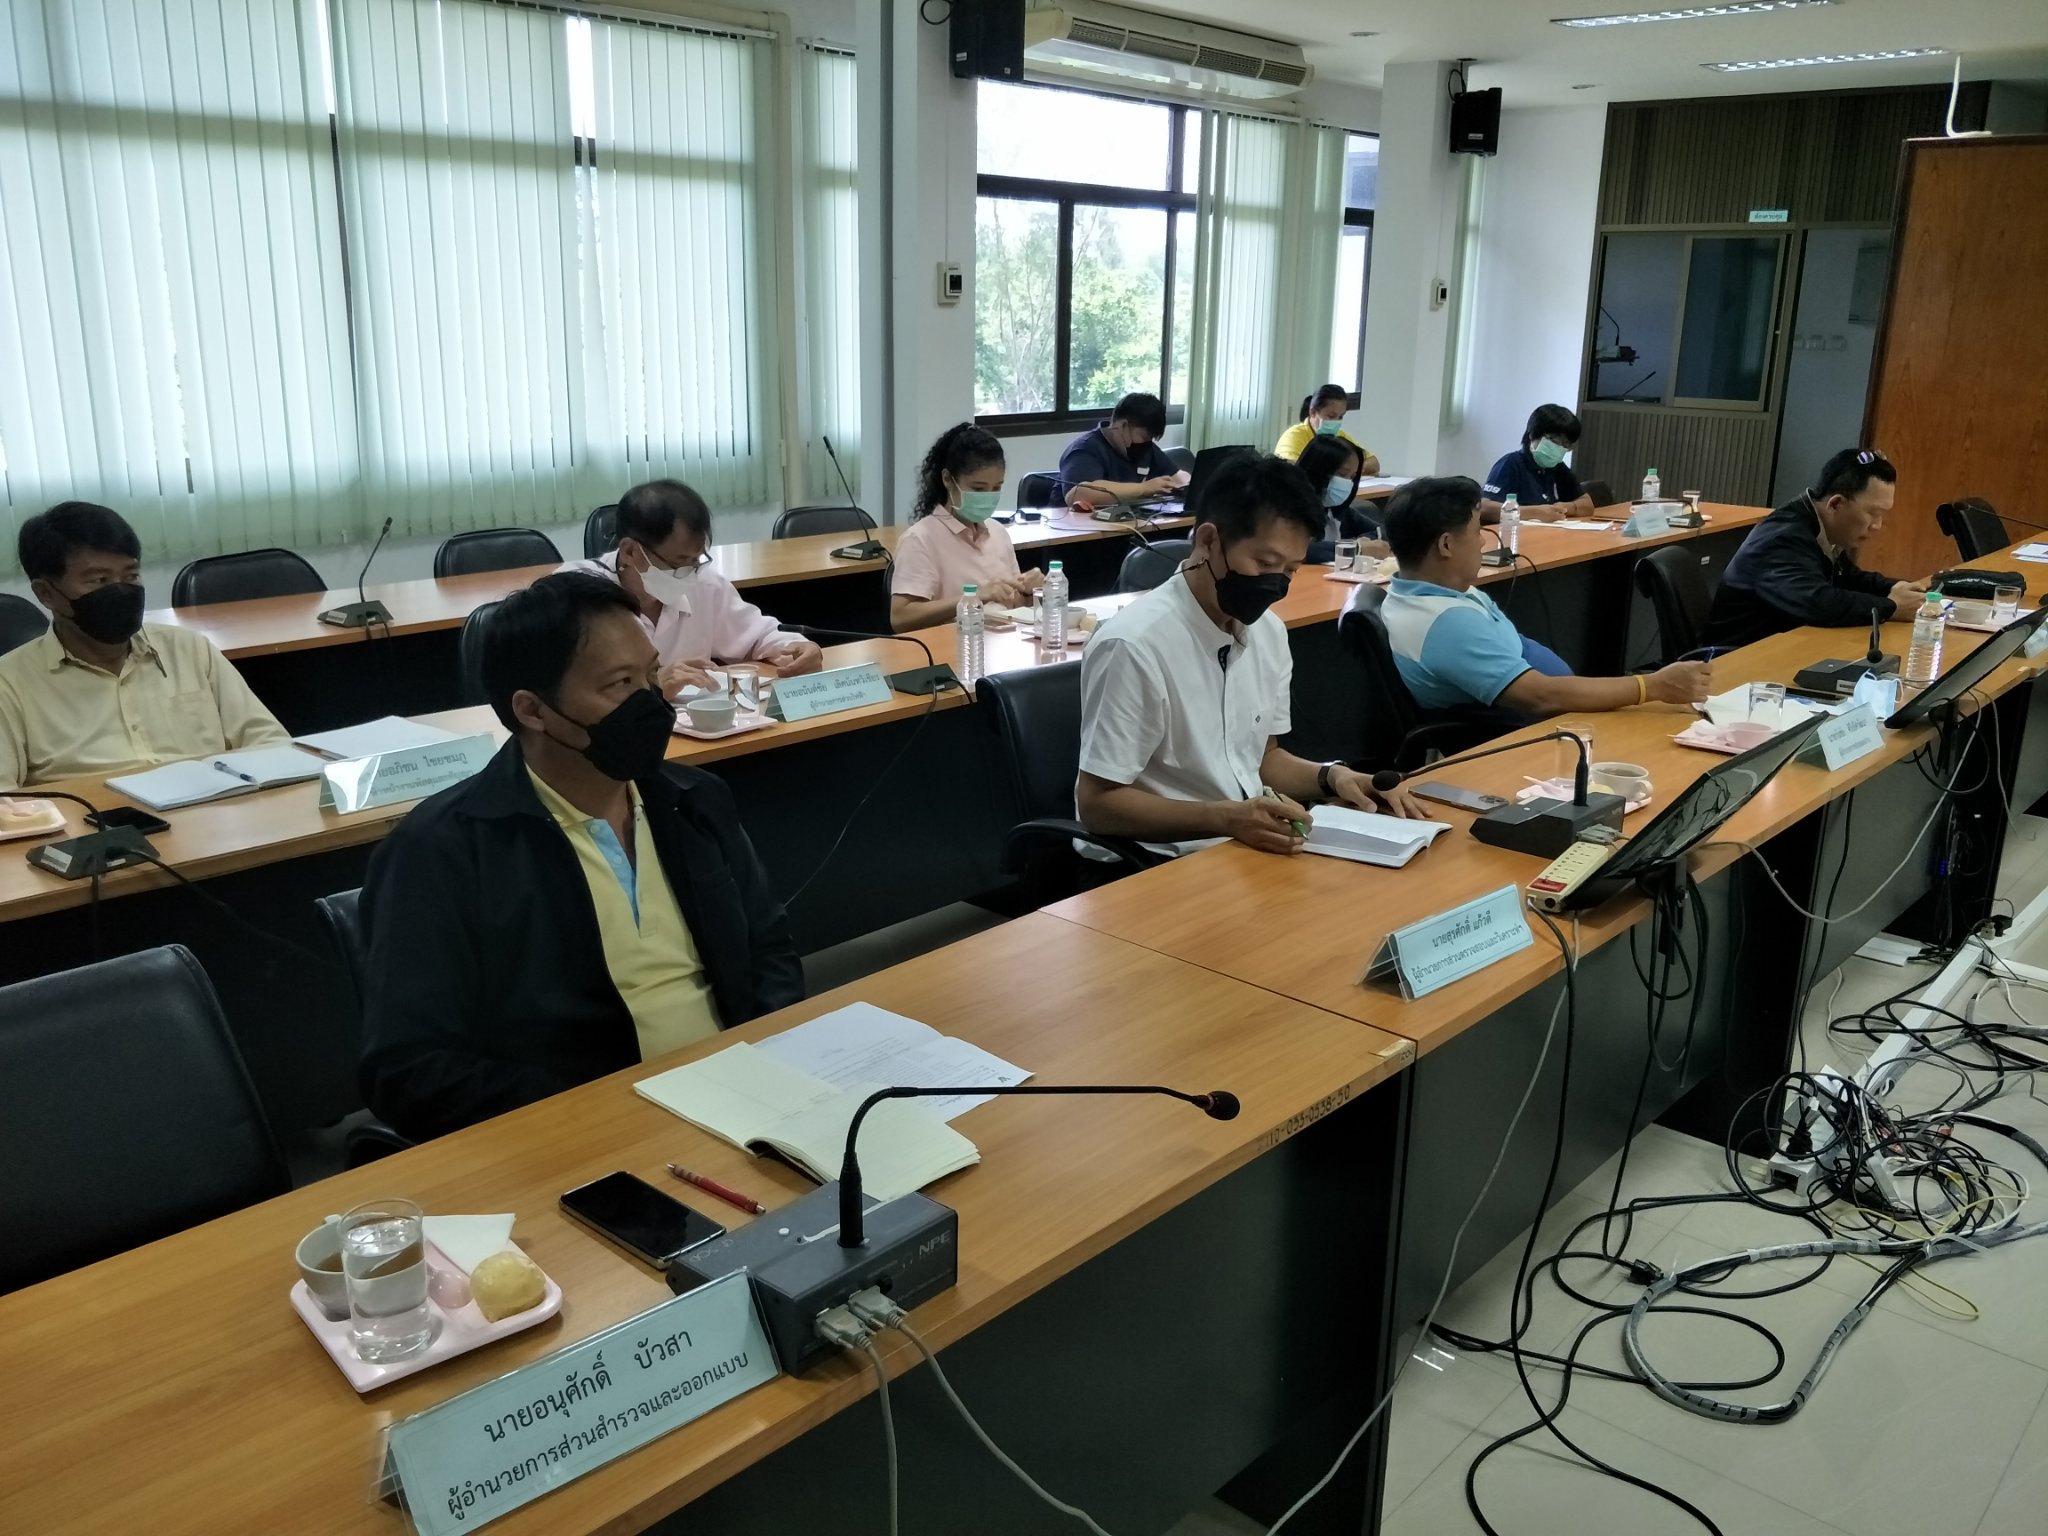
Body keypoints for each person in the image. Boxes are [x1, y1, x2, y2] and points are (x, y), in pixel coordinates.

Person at [357, 572, 802, 1141]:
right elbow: (407, 1069)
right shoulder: (441, 852)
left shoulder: (694, 800)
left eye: (651, 675)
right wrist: (592, 1115)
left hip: (743, 1098)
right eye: (619, 684)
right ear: (533, 710)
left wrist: (771, 1057)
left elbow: (769, 948)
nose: (651, 702)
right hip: (585, 1133)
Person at [1076, 454, 1422, 859]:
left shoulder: (1268, 632)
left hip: (1235, 845)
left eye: (1290, 570)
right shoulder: (1135, 645)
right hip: (1152, 860)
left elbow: (1262, 759)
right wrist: (1226, 818)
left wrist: (1333, 777)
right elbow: (1097, 804)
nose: (1277, 584)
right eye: (1265, 563)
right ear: (1208, 541)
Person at [0, 501, 289, 791]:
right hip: (95, 816)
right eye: (99, 580)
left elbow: (270, 741)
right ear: (46, 593)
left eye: (131, 576)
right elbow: (6, 800)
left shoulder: (189, 650)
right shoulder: (10, 683)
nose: (120, 590)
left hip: (211, 809)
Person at [1380, 476, 1711, 716]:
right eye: (1477, 530)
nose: (1482, 541)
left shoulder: (1431, 592)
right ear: (1446, 545)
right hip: (1535, 728)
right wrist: (1651, 686)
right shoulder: (1446, 624)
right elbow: (1541, 697)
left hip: (1557, 708)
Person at [558, 479, 820, 697]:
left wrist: (797, 648)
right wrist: (650, 686)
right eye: (678, 562)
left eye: (696, 559)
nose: (689, 573)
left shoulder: (705, 584)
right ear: (630, 551)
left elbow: (758, 635)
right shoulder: (574, 595)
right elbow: (564, 692)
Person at [1704, 449, 1929, 650]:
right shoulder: (1783, 538)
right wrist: (1890, 607)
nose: (1877, 525)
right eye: (1872, 513)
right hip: (1738, 660)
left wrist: (1896, 588)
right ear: (1835, 504)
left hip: (1783, 647)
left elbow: (1849, 578)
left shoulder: (1819, 527)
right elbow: (1816, 602)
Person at [892, 424, 1043, 631]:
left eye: (996, 487)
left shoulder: (998, 532)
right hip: (954, 643)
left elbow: (1013, 606)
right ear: (947, 479)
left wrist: (1028, 591)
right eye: (978, 488)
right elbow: (900, 618)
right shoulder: (920, 539)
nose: (988, 496)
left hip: (1001, 641)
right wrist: (973, 597)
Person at [1477, 404, 1595, 524]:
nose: (1559, 447)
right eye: (1554, 440)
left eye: (1565, 444)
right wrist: (1533, 512)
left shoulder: (1557, 467)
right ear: (1532, 435)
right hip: (1515, 532)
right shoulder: (1511, 463)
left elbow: (1587, 504)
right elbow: (1484, 508)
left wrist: (1566, 508)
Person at [1058, 392, 1179, 508]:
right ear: (1122, 426)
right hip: (1076, 521)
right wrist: (1144, 488)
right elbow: (1077, 494)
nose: (1146, 444)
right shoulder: (1085, 449)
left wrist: (1184, 487)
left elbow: (1177, 476)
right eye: (1143, 437)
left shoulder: (1146, 448)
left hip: (1129, 520)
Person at [1296, 433, 1390, 566]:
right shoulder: (1288, 510)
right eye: (1342, 474)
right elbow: (1299, 550)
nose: (1348, 483)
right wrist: (1355, 548)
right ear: (1318, 471)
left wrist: (1365, 540)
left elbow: (1383, 531)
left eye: (1352, 477)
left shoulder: (1338, 511)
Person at [1273, 384, 1381, 475]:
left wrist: (1348, 471)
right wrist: (1339, 471)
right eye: (1331, 416)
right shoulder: (1294, 435)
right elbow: (1291, 471)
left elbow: (1373, 463)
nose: (1336, 422)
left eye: (1340, 417)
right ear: (1313, 412)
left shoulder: (1340, 436)